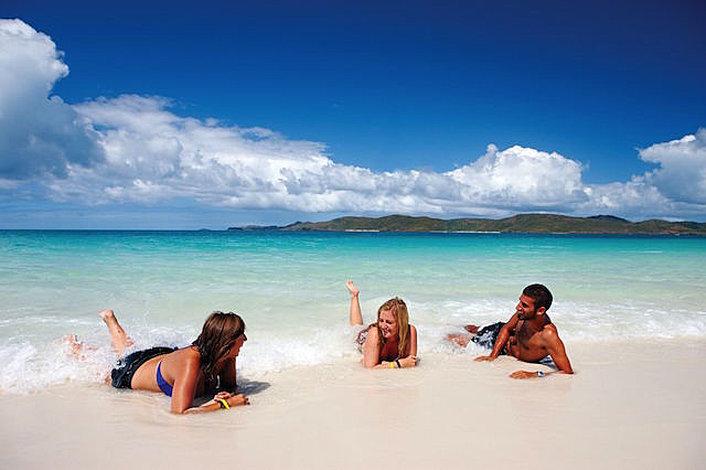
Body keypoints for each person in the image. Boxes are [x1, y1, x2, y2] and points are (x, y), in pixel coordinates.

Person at [94, 308, 251, 413]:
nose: (245, 339)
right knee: (114, 362)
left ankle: (111, 320)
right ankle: (83, 344)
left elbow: (229, 387)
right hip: (129, 372)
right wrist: (225, 404)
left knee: (128, 350)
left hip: (163, 356)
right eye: (241, 335)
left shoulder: (226, 356)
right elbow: (179, 412)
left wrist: (225, 393)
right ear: (226, 342)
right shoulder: (191, 361)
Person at [448, 284, 573, 379]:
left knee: (458, 338)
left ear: (540, 311)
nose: (518, 307)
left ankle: (471, 328)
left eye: (524, 305)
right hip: (498, 336)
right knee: (458, 334)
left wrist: (535, 374)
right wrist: (493, 356)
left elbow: (567, 371)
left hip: (503, 345)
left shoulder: (548, 336)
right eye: (520, 301)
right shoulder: (522, 315)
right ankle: (456, 325)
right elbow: (506, 328)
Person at [345, 280, 418, 368]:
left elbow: (411, 362)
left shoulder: (410, 331)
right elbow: (369, 369)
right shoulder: (375, 334)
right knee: (356, 329)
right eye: (381, 320)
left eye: (389, 322)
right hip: (365, 337)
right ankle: (354, 296)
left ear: (401, 323)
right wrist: (398, 364)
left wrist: (387, 365)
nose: (383, 326)